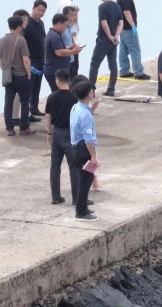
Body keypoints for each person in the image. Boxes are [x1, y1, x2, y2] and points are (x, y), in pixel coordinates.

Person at [44, 69, 79, 205]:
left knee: (55, 167)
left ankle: (56, 196)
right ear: (68, 80)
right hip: (70, 134)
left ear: (57, 80)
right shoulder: (74, 97)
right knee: (74, 167)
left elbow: (48, 116)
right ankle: (76, 198)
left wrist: (49, 133)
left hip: (56, 133)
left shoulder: (52, 97)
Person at [0, 15, 34, 136]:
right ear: (19, 27)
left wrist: (5, 70)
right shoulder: (21, 40)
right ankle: (24, 128)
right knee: (24, 101)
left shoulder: (1, 40)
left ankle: (9, 128)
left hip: (8, 76)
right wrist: (28, 73)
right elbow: (26, 60)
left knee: (8, 102)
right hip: (21, 75)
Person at [69, 80, 99, 221]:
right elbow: (88, 138)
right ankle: (80, 212)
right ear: (89, 94)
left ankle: (83, 208)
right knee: (85, 180)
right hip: (83, 149)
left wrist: (91, 111)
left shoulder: (76, 107)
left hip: (75, 146)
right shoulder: (85, 114)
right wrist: (93, 156)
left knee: (85, 179)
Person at [87, 0, 124, 97]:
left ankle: (91, 89)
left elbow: (104, 24)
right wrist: (115, 36)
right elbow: (121, 23)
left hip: (104, 39)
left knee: (94, 64)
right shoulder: (117, 6)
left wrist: (109, 36)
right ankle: (111, 89)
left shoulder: (102, 7)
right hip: (113, 40)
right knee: (113, 64)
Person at [18, 2, 48, 116]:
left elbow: (43, 39)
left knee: (37, 85)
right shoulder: (26, 23)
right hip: (30, 59)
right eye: (38, 10)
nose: (40, 13)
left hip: (40, 59)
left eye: (43, 11)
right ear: (33, 8)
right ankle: (26, 113)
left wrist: (45, 56)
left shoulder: (41, 23)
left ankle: (34, 108)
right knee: (29, 86)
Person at [117, 0, 148, 80]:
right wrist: (133, 26)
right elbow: (126, 12)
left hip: (122, 28)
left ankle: (124, 71)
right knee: (135, 49)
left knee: (123, 50)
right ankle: (138, 72)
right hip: (128, 28)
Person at [44, 12, 83, 90]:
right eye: (65, 25)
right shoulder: (55, 36)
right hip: (55, 71)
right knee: (59, 94)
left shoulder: (55, 34)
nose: (65, 27)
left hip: (57, 71)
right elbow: (59, 52)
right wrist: (73, 52)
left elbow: (59, 49)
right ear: (59, 24)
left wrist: (70, 48)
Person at [56, 0, 81, 77]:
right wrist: (76, 39)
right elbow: (73, 24)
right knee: (73, 65)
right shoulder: (70, 3)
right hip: (69, 36)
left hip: (62, 35)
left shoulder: (59, 3)